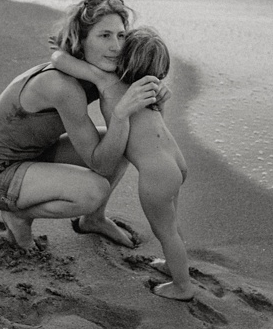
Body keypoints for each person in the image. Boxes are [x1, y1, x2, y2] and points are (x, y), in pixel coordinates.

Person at [0, 0, 163, 253]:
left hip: (36, 154)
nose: (116, 46)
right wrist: (120, 115)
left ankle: (94, 219)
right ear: (81, 41)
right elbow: (101, 163)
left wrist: (158, 95)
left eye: (121, 35)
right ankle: (18, 214)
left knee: (123, 142)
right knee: (93, 190)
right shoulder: (63, 86)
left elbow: (61, 55)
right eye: (104, 35)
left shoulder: (95, 70)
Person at [51, 28, 205, 301]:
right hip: (174, 161)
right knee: (171, 223)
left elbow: (59, 61)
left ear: (123, 58)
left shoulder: (108, 81)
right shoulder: (151, 88)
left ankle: (183, 287)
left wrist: (66, 45)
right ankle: (173, 266)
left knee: (165, 230)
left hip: (156, 172)